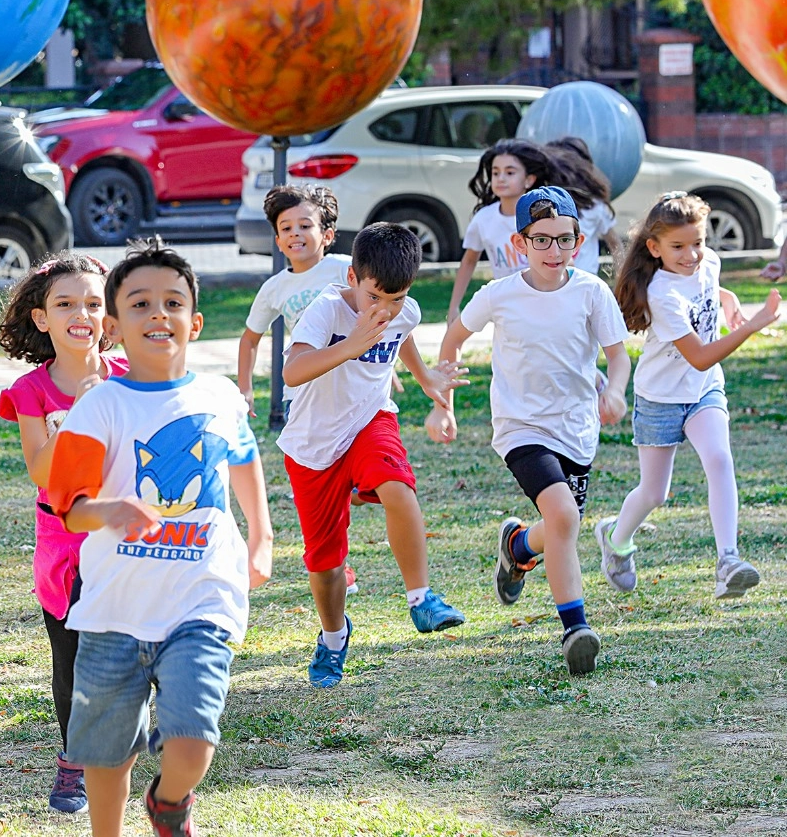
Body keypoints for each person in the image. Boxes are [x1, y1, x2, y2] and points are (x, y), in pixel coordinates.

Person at [44, 240, 272, 837]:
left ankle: (170, 800)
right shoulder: (99, 408)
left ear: (194, 321)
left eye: (172, 302)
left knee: (194, 736)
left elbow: (244, 461)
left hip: (201, 599)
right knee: (105, 752)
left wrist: (262, 536)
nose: (158, 314)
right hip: (115, 609)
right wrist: (110, 510)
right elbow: (69, 510)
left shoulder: (220, 396)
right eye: (140, 303)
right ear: (114, 326)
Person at [431, 186, 631, 676]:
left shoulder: (592, 292)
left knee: (562, 525)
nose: (553, 252)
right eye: (541, 241)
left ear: (579, 242)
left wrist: (617, 391)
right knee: (563, 514)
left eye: (564, 240)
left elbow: (618, 356)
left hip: (578, 429)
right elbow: (453, 342)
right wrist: (444, 405)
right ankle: (575, 629)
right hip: (521, 427)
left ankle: (518, 548)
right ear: (519, 244)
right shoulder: (499, 295)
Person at [280, 223, 467, 689]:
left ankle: (421, 598)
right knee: (324, 565)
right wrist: (350, 345)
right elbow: (292, 370)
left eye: (397, 298)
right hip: (313, 446)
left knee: (399, 488)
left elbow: (402, 335)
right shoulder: (326, 312)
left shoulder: (406, 311)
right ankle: (334, 636)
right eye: (374, 297)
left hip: (370, 420)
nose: (384, 310)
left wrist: (427, 381)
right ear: (351, 278)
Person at [0, 252, 127, 815]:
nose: (82, 314)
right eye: (66, 303)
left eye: (94, 304)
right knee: (70, 656)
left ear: (111, 316)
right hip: (63, 544)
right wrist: (81, 411)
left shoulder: (133, 379)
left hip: (126, 537)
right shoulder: (32, 392)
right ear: (41, 317)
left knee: (130, 646)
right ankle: (74, 759)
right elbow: (42, 472)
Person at [598, 192, 781, 599]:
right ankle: (616, 540)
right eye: (678, 247)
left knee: (719, 458)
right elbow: (698, 356)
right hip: (660, 397)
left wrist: (729, 302)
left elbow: (711, 288)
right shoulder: (661, 293)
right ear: (654, 248)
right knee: (654, 493)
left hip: (703, 390)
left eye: (697, 242)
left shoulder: (709, 261)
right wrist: (749, 328)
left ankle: (728, 561)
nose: (692, 254)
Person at [235, 184, 360, 596]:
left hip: (352, 389)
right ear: (277, 240)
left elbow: (379, 309)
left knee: (354, 473)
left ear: (326, 234)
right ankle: (339, 561)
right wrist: (245, 389)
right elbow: (249, 338)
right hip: (306, 395)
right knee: (323, 481)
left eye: (305, 225)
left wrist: (384, 365)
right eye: (286, 227)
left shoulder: (346, 269)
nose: (295, 234)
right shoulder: (275, 287)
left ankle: (352, 516)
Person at [448, 138, 555, 322]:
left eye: (510, 172)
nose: (501, 178)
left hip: (546, 302)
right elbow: (468, 261)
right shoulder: (483, 218)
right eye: (495, 173)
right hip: (505, 305)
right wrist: (453, 307)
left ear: (529, 180)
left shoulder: (544, 215)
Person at [544, 136, 622, 273]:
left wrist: (623, 283)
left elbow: (614, 243)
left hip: (584, 284)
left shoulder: (594, 205)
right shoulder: (541, 204)